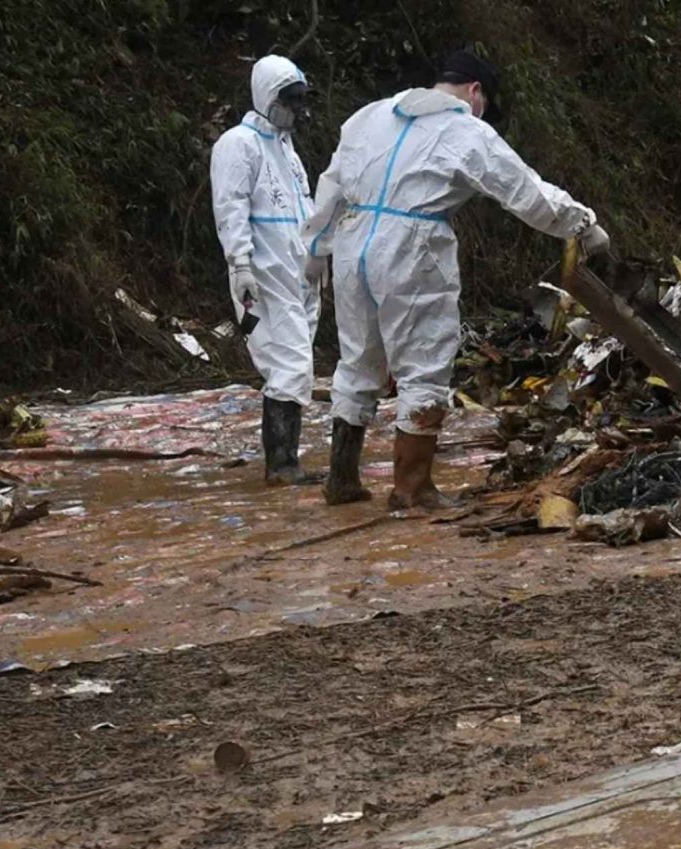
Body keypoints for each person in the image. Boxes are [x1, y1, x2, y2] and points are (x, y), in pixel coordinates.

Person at [301, 49, 611, 510]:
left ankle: (342, 479)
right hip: (411, 245)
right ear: (474, 91)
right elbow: (525, 192)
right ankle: (412, 489)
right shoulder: (465, 130)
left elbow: (331, 184)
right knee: (424, 361)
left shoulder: (371, 115)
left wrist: (316, 246)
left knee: (358, 361)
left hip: (353, 242)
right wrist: (582, 224)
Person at [210, 54, 321, 485]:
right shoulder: (239, 144)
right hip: (264, 272)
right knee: (288, 362)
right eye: (288, 100)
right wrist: (240, 263)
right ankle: (281, 464)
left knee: (296, 361)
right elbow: (231, 207)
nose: (295, 110)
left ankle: (286, 459)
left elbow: (303, 206)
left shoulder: (286, 150)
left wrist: (318, 255)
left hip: (297, 273)